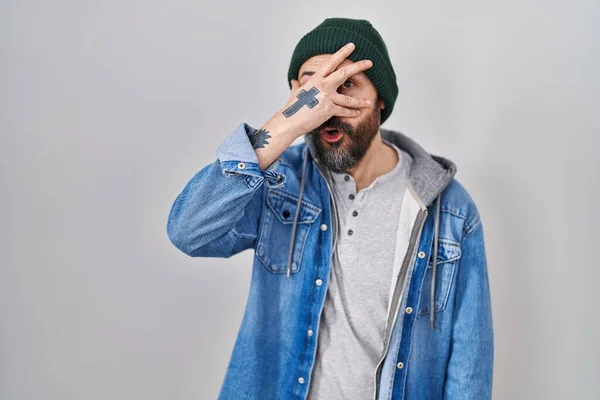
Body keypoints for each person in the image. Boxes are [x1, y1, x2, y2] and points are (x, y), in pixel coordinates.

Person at [166, 17, 494, 400]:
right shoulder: (281, 183)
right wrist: (284, 126)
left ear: (380, 99)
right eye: (312, 86)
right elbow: (189, 231)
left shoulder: (449, 210)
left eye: (346, 84)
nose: (327, 105)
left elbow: (469, 363)